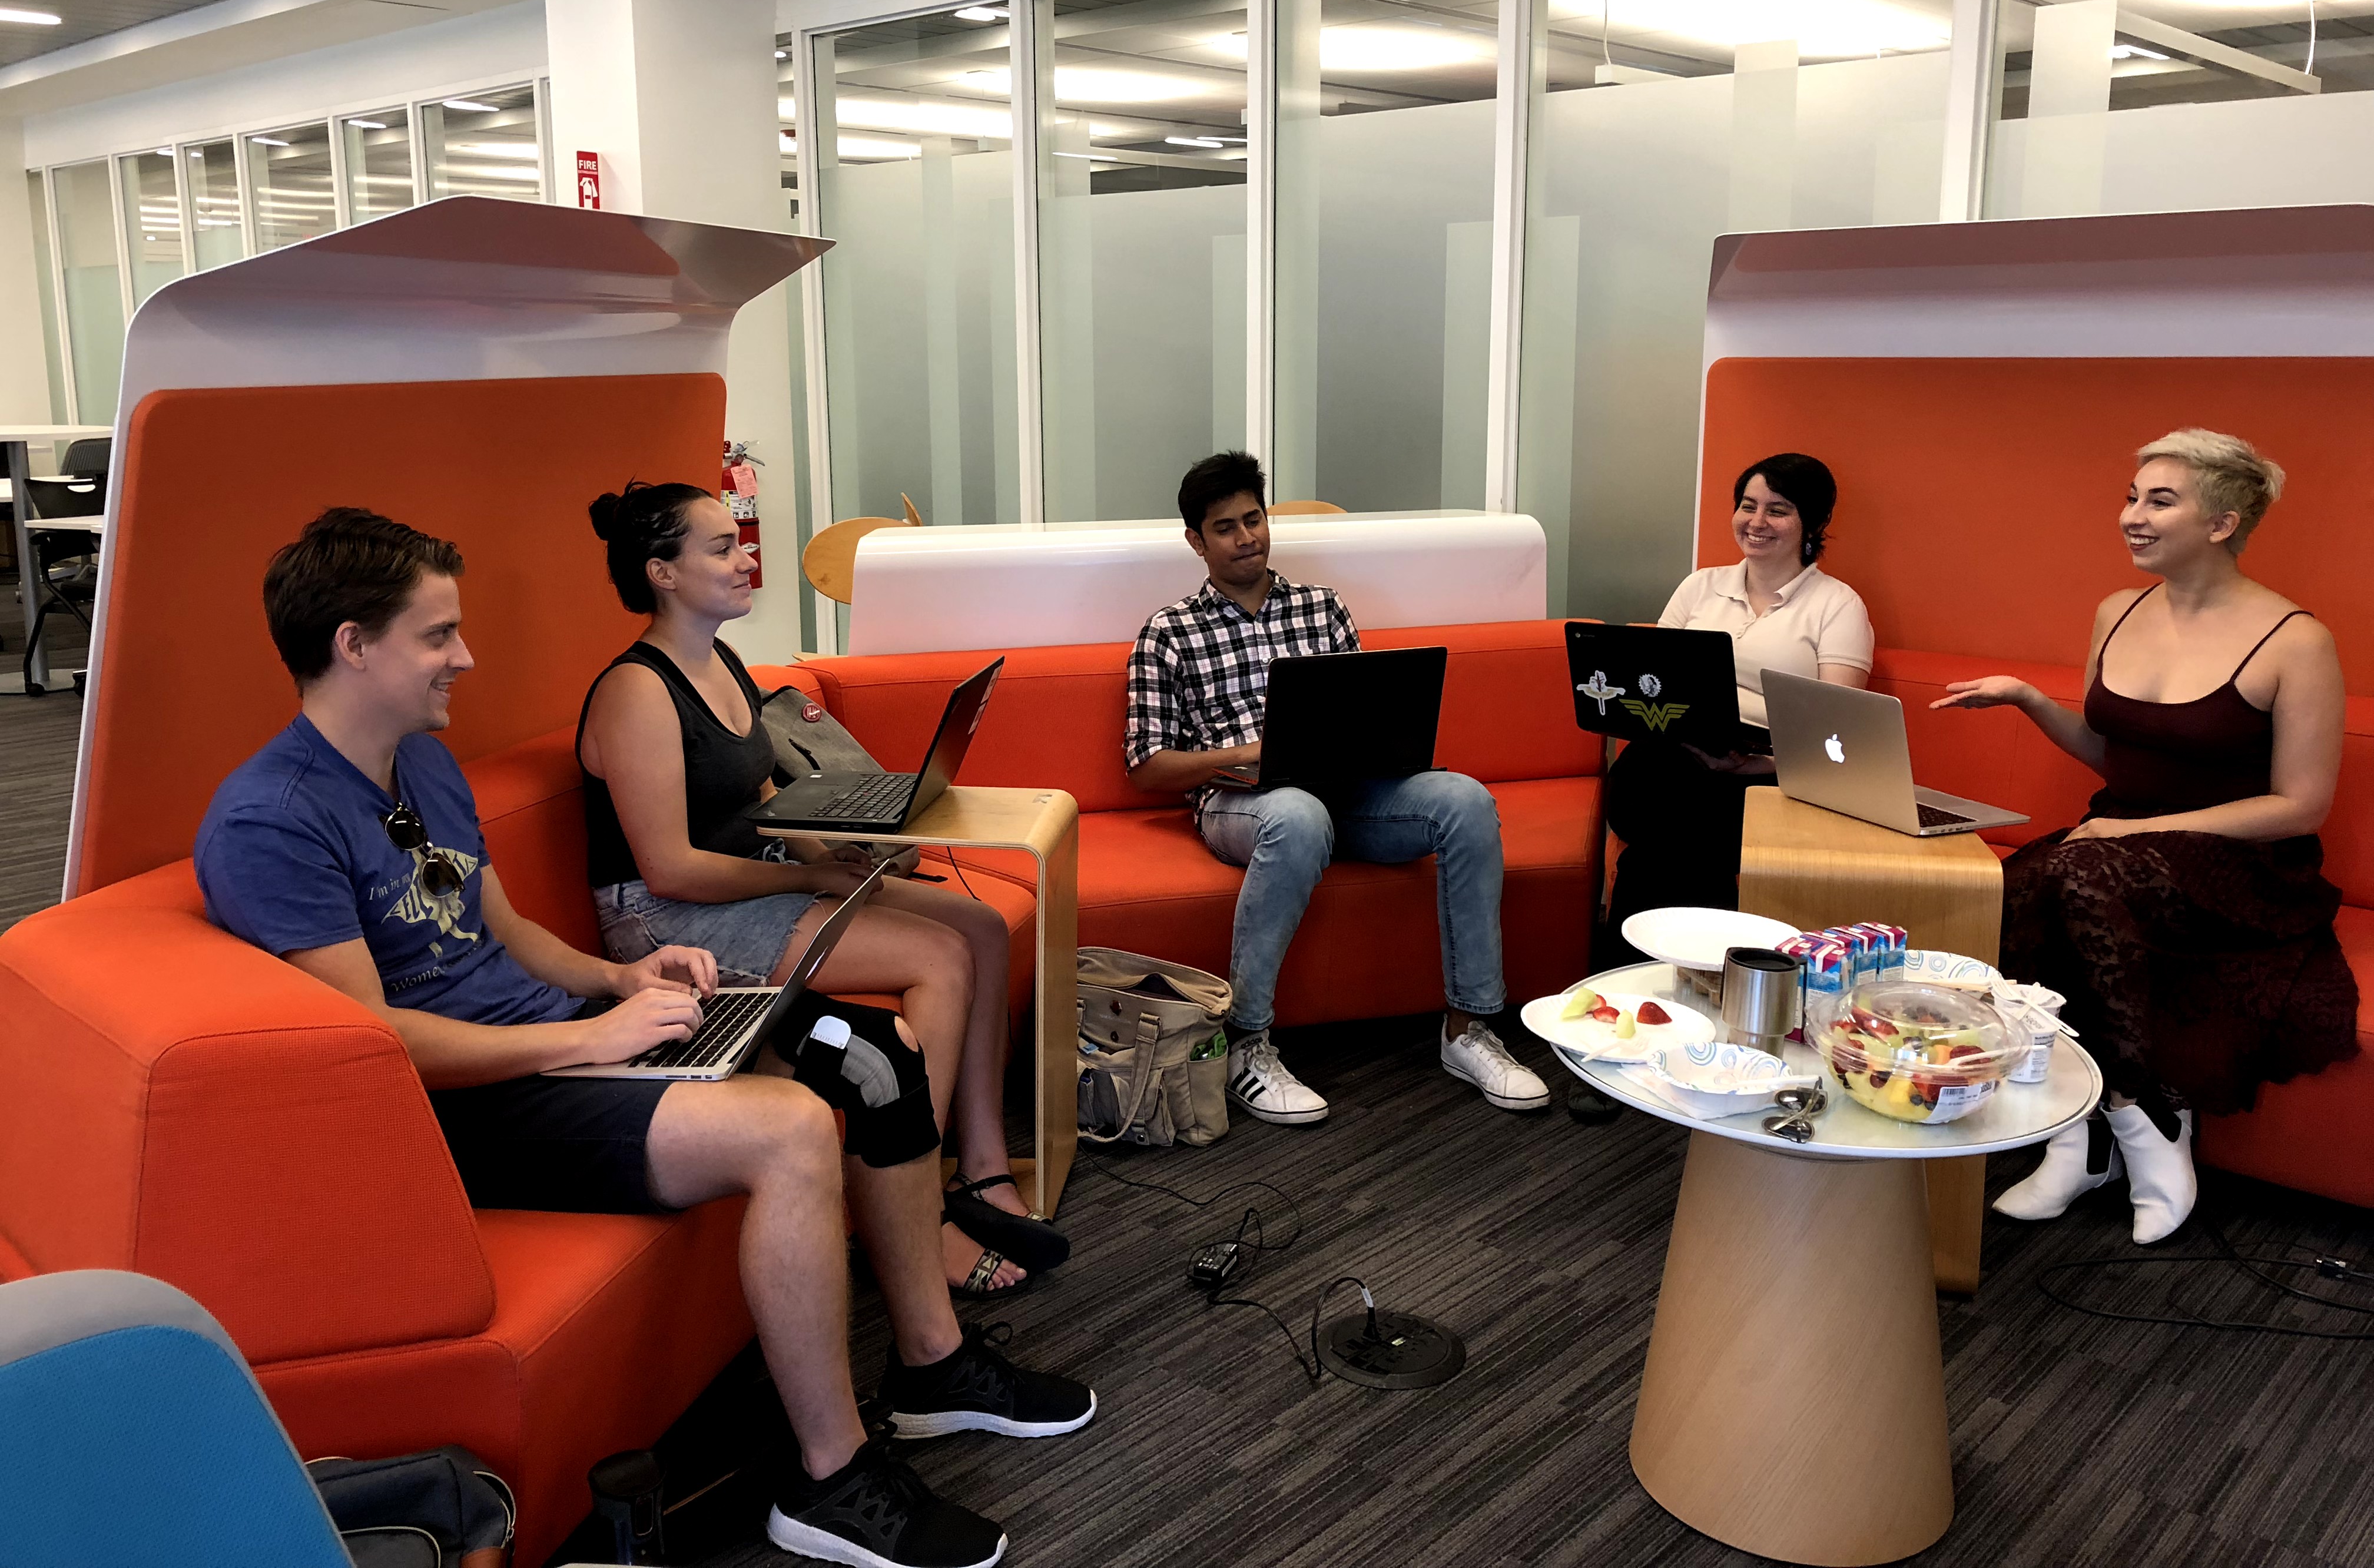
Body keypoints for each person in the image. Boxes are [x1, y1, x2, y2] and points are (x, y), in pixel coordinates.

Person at [195, 508, 1092, 1568]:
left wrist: (620, 976)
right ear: (354, 643)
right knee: (792, 1128)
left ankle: (931, 1365)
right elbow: (380, 1042)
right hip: (469, 1107)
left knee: (877, 1060)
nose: (465, 656)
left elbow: (507, 929)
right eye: (438, 634)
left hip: (559, 1034)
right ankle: (831, 1479)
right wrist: (591, 1039)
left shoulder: (421, 765)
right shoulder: (272, 816)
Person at [576, 482, 1066, 1298]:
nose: (746, 559)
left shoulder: (722, 663)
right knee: (939, 960)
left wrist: (842, 866)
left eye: (739, 542)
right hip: (668, 921)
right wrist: (813, 875)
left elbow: (762, 797)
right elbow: (668, 869)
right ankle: (910, 1216)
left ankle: (978, 1171)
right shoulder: (637, 690)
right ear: (661, 573)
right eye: (722, 548)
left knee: (979, 928)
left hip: (753, 886)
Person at [1937, 431, 2358, 1244]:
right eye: (2132, 497)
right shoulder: (2116, 612)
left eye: (2159, 500)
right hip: (2114, 850)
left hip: (2245, 863)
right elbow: (2111, 751)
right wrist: (2029, 699)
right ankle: (2080, 1134)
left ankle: (2141, 1118)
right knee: (2029, 882)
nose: (2131, 516)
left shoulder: (2297, 640)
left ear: (2223, 523)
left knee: (2076, 872)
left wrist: (2147, 828)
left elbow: (2302, 804)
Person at [1124, 450, 1550, 1123]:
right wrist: (1244, 755)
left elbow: (1366, 715)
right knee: (1295, 815)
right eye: (1227, 528)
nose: (1248, 538)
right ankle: (1248, 1044)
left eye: (1255, 520)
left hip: (1347, 792)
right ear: (1196, 541)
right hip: (1242, 803)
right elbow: (1146, 766)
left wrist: (1390, 749)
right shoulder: (1168, 632)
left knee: (1465, 799)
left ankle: (1469, 1031)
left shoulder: (1323, 609)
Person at [1601, 453, 1873, 944]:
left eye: (1778, 509)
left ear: (1813, 521)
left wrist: (1754, 764)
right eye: (1748, 506)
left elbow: (1840, 731)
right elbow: (1653, 678)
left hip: (1770, 769)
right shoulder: (1699, 586)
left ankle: (1637, 970)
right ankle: (1705, 973)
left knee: (1659, 852)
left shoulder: (1838, 604)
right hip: (1675, 753)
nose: (1757, 522)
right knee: (1650, 784)